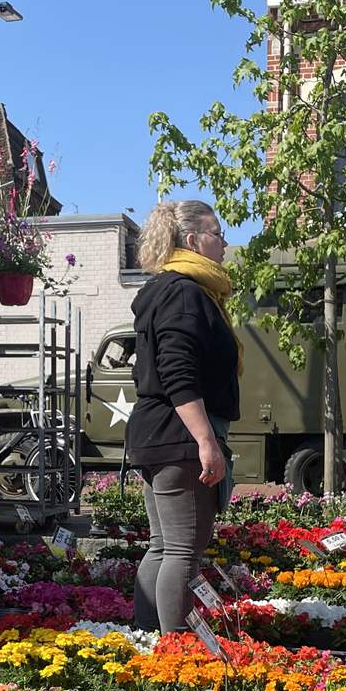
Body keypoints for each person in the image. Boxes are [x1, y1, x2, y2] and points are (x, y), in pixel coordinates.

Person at [125, 199, 240, 633]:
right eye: (218, 232)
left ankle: (146, 638)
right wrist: (206, 441)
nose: (225, 242)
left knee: (163, 546)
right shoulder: (187, 292)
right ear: (192, 240)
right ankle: (174, 653)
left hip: (158, 436)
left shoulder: (167, 289)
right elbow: (178, 373)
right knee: (182, 551)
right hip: (179, 439)